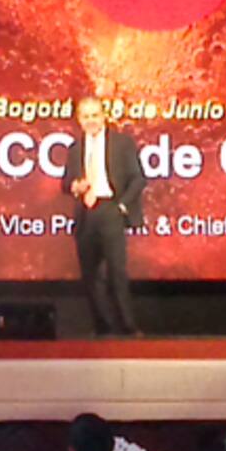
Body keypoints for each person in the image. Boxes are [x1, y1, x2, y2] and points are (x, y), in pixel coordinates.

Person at [63, 97, 147, 337]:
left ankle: (127, 326)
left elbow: (138, 178)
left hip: (111, 209)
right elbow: (65, 182)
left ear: (103, 116)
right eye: (86, 116)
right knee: (90, 274)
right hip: (86, 213)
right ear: (79, 120)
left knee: (116, 272)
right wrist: (74, 186)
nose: (91, 120)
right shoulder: (75, 149)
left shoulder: (121, 143)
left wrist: (122, 206)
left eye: (95, 115)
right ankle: (103, 327)